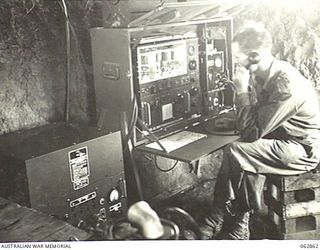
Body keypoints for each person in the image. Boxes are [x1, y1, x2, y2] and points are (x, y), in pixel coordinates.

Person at [200, 21, 320, 240]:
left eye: (237, 57)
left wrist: (240, 90)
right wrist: (233, 120)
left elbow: (252, 133)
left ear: (254, 57)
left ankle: (222, 218)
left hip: (301, 148)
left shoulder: (285, 85)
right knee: (246, 159)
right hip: (280, 136)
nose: (235, 63)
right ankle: (236, 223)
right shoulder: (265, 74)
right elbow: (258, 118)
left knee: (237, 151)